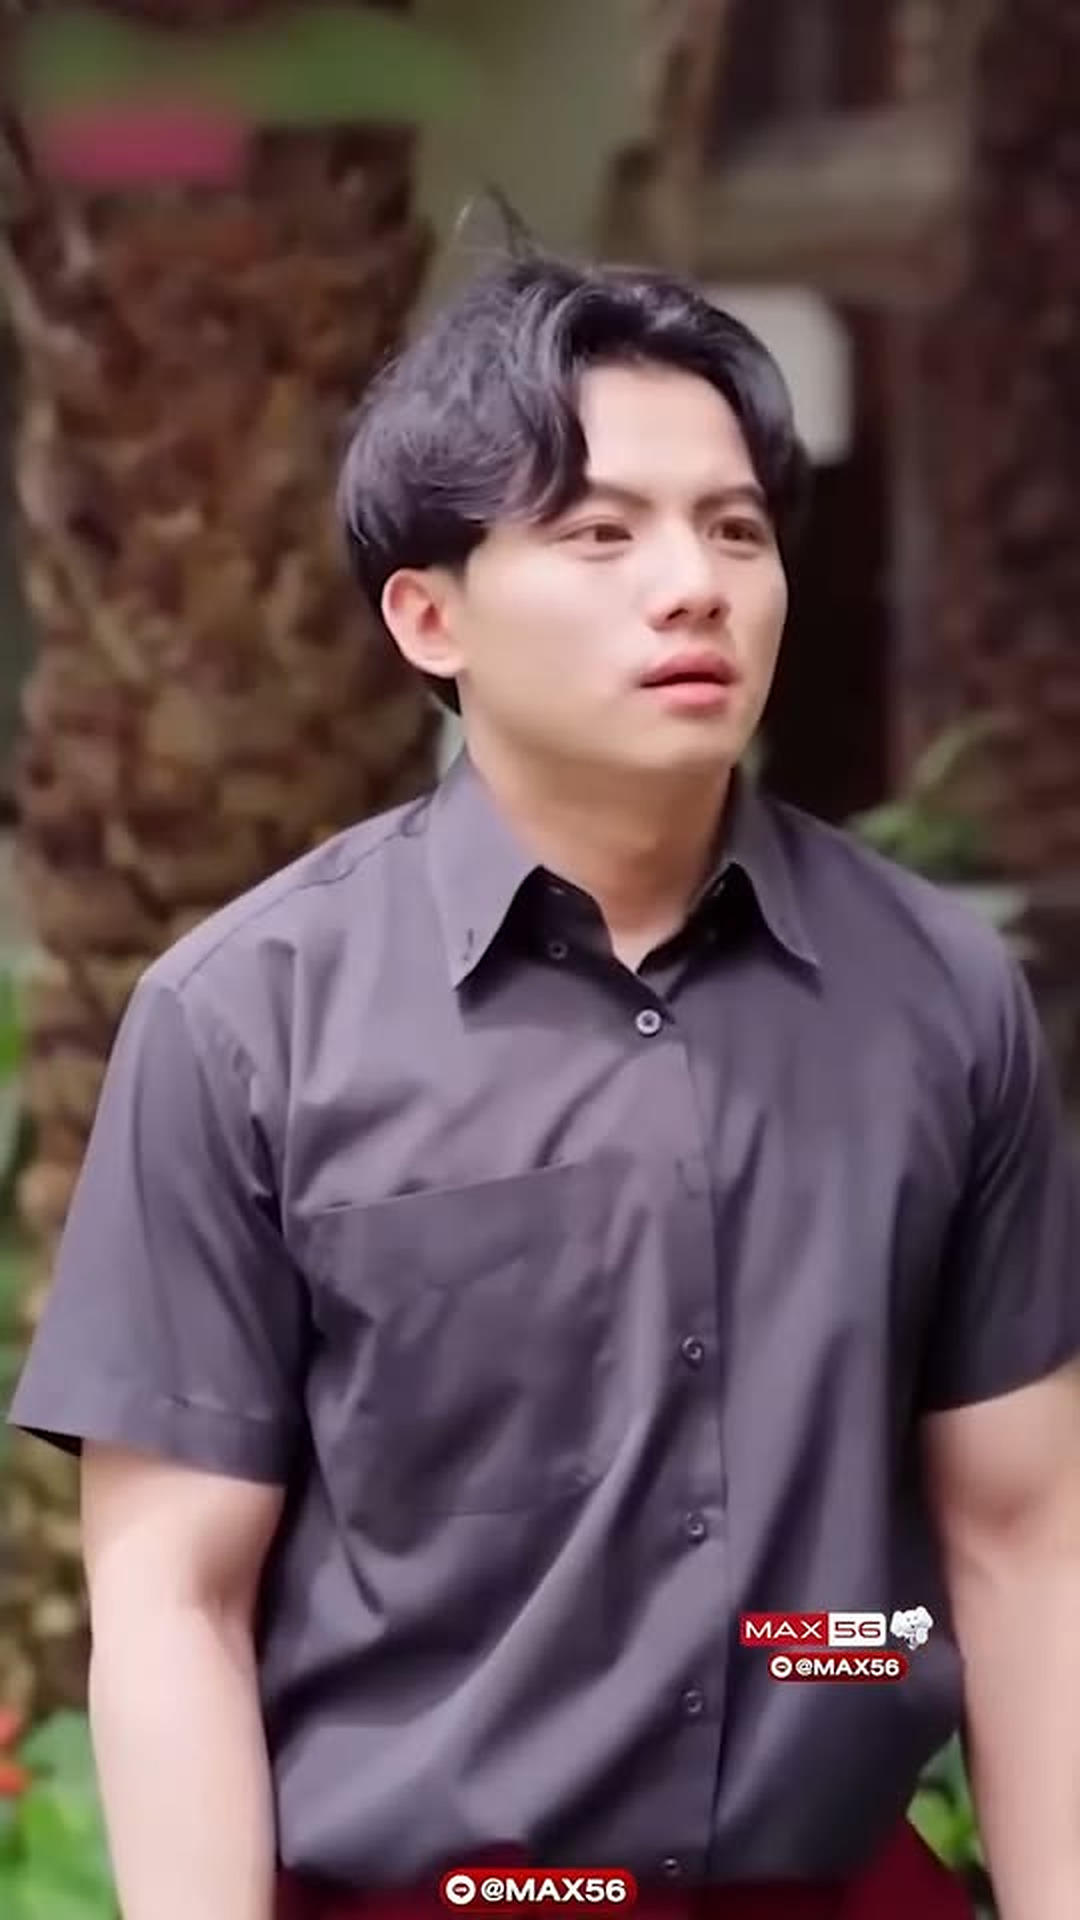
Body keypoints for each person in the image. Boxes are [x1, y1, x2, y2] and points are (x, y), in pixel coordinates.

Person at [8, 249, 1080, 1920]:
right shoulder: (243, 1023)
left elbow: (1022, 1542)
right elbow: (173, 1603)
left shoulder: (939, 996)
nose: (694, 585)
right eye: (601, 533)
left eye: (736, 529)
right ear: (428, 615)